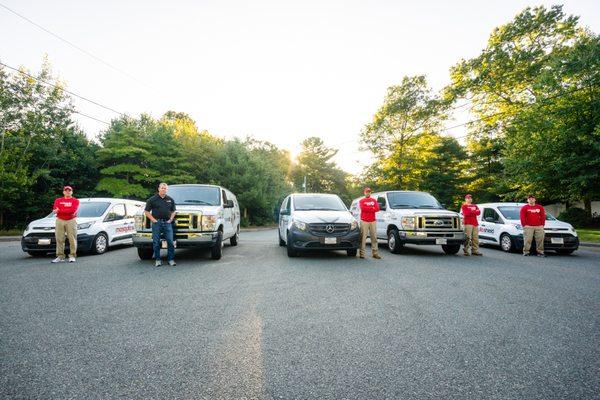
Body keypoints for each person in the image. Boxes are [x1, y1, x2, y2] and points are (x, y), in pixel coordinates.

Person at [144, 182, 177, 267]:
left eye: (165, 188)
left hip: (167, 223)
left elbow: (174, 211)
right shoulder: (152, 199)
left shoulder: (170, 199)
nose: (163, 189)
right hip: (157, 223)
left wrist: (170, 219)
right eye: (162, 188)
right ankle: (158, 260)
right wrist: (153, 220)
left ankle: (171, 259)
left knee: (170, 241)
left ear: (167, 190)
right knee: (156, 242)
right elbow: (146, 212)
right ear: (158, 189)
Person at [51, 186, 80, 263]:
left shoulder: (75, 201)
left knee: (72, 239)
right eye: (66, 190)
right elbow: (54, 210)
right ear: (63, 192)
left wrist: (60, 210)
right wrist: (61, 210)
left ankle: (72, 256)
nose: (67, 192)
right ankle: (60, 256)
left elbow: (72, 210)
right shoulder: (58, 200)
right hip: (59, 220)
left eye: (69, 190)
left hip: (71, 220)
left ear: (72, 192)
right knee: (59, 239)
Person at [358, 187, 382, 259]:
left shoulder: (374, 200)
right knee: (363, 238)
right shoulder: (361, 201)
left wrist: (369, 208)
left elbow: (377, 209)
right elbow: (363, 208)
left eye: (369, 192)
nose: (368, 193)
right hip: (364, 221)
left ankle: (375, 253)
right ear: (364, 193)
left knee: (374, 237)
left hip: (372, 221)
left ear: (370, 192)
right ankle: (362, 254)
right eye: (366, 192)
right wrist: (372, 208)